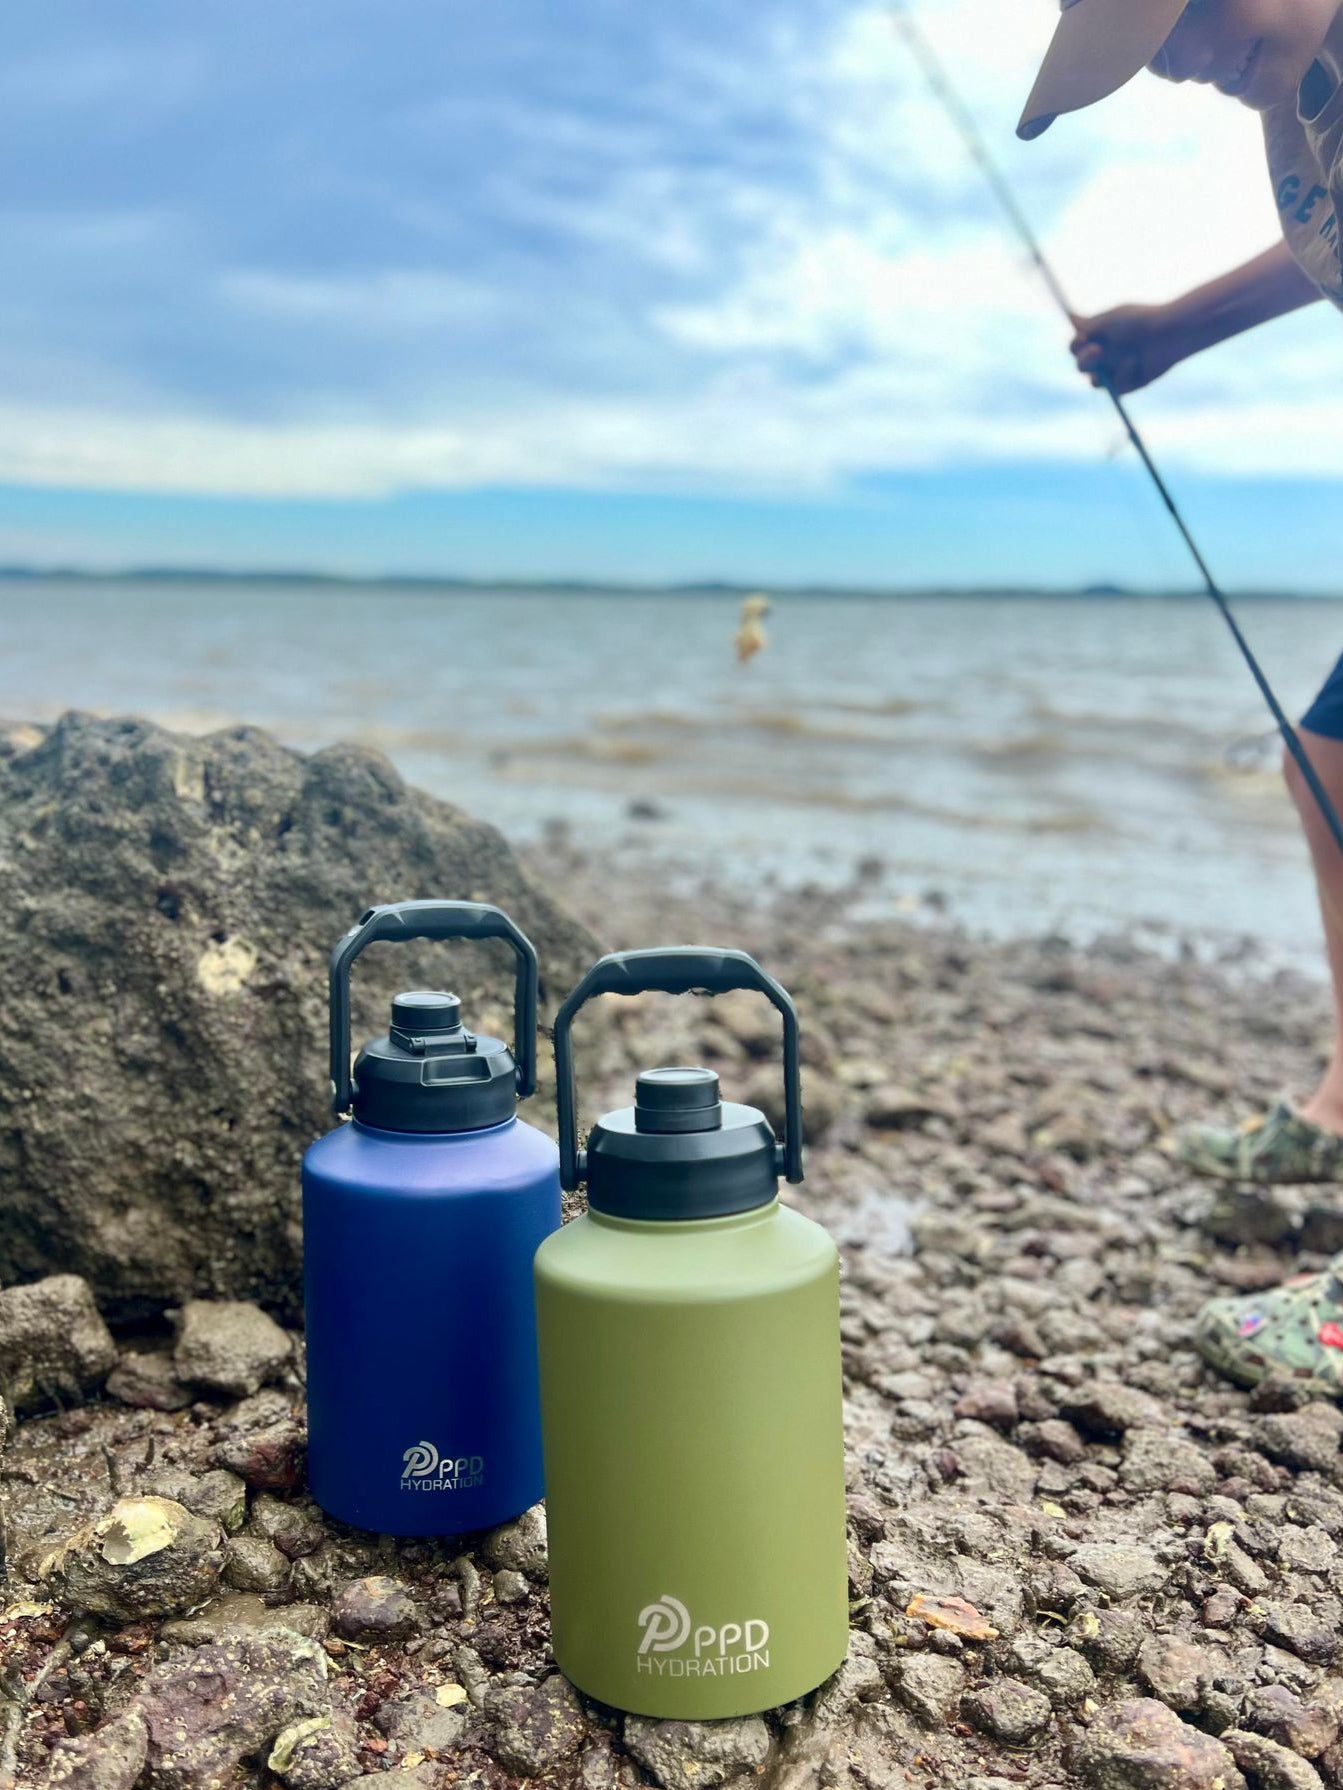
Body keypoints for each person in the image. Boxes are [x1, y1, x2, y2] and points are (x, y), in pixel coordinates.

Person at [1019, 0, 1343, 1389]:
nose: (1189, 57)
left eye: (1195, 11)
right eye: (1161, 48)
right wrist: (1181, 328)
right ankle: (1341, 1112)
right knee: (1327, 757)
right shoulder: (1302, 85)